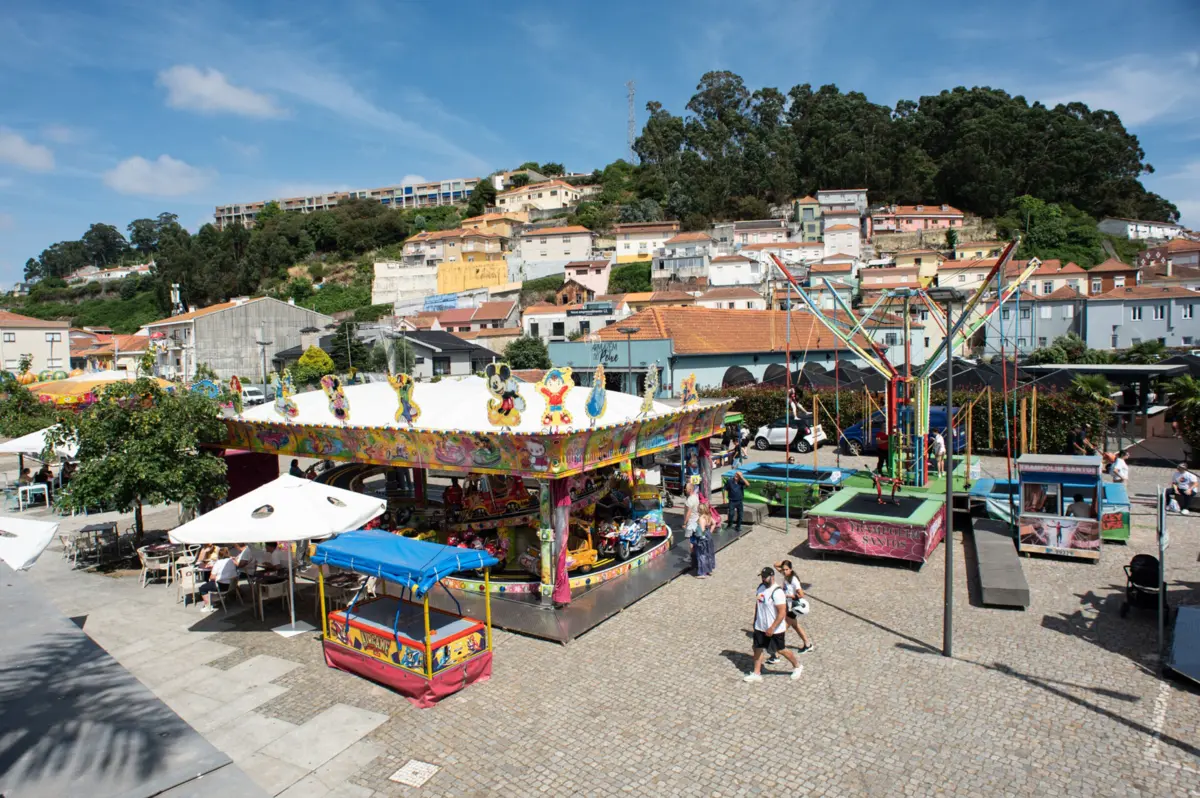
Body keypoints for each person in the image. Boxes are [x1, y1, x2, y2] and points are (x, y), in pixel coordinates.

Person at [744, 567, 803, 683]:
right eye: (762, 577)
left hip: (775, 629)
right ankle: (756, 673)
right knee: (757, 648)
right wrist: (755, 620)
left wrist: (772, 627)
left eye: (765, 577)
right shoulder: (760, 588)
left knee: (781, 650)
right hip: (760, 626)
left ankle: (797, 666)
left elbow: (782, 612)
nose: (763, 579)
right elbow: (758, 605)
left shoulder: (777, 592)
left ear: (772, 577)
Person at [773, 560, 813, 656]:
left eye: (787, 569)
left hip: (793, 607)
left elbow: (801, 595)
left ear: (791, 569)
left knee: (782, 628)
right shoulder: (786, 575)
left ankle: (777, 650)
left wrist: (789, 596)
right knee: (795, 626)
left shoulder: (794, 579)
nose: (784, 571)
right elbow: (775, 565)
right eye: (783, 569)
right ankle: (808, 644)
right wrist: (785, 562)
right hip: (788, 606)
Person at [199, 548, 237, 612]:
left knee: (202, 588)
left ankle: (208, 606)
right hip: (232, 585)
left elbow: (212, 577)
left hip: (222, 586)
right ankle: (215, 600)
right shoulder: (232, 561)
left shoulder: (218, 563)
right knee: (211, 584)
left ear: (218, 555)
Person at [692, 501, 716, 578]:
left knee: (701, 554)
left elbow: (702, 530)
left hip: (703, 537)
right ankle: (709, 569)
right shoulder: (708, 516)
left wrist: (700, 538)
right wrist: (710, 532)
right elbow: (714, 523)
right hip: (708, 535)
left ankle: (702, 572)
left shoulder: (701, 518)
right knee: (709, 553)